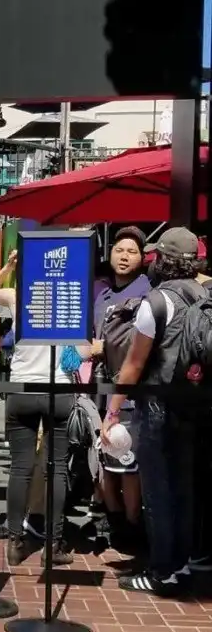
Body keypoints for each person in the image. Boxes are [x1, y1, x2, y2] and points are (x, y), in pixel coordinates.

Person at [102, 227, 205, 597]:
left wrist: (113, 411)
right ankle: (183, 564)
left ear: (163, 259)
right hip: (196, 407)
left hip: (159, 408)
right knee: (186, 490)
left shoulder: (157, 301)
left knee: (159, 492)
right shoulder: (205, 294)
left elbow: (133, 364)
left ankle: (162, 572)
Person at [0, 250, 73, 567]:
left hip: (22, 387)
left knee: (20, 468)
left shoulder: (17, 296)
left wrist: (9, 266)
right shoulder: (69, 297)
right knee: (57, 468)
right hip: (58, 388)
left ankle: (15, 542)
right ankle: (54, 544)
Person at [90, 227, 151, 544]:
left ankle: (132, 524)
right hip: (100, 389)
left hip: (130, 395)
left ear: (142, 258)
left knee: (128, 461)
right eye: (119, 250)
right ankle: (112, 519)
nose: (124, 256)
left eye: (131, 251)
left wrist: (105, 347)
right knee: (102, 456)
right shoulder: (102, 296)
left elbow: (141, 349)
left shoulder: (147, 295)